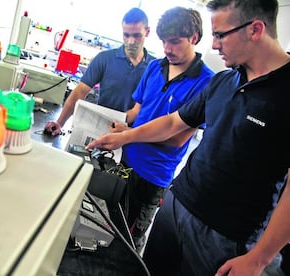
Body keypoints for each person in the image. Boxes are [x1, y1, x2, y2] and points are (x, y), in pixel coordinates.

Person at [86, 0, 290, 275]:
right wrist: (124, 137)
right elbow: (173, 122)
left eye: (220, 35)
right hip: (176, 206)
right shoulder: (223, 81)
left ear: (254, 29)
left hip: (224, 237)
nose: (214, 45)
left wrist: (259, 258)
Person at [109, 6, 214, 253]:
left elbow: (177, 139)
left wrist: (129, 134)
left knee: (130, 241)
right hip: (124, 159)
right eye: (164, 42)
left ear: (194, 38)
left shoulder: (206, 83)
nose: (167, 49)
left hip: (153, 175)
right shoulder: (155, 66)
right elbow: (138, 110)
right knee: (109, 224)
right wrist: (113, 120)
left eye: (175, 42)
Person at [44, 7, 154, 136]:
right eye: (126, 35)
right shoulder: (104, 59)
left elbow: (146, 109)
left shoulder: (154, 68)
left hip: (133, 137)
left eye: (137, 35)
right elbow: (80, 91)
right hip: (101, 131)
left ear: (147, 32)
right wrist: (60, 123)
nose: (131, 41)